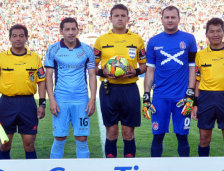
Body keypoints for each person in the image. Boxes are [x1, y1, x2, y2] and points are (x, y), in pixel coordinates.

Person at [143, 6, 197, 157]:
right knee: (157, 136)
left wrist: (191, 92)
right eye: (167, 17)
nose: (170, 20)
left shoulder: (189, 39)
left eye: (173, 17)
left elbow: (192, 67)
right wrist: (146, 94)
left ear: (179, 19)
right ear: (161, 20)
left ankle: (185, 170)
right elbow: (150, 70)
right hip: (160, 97)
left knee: (182, 137)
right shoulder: (154, 41)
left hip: (182, 97)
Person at [94, 4, 146, 158]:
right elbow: (92, 66)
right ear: (110, 19)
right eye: (116, 16)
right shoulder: (101, 40)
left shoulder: (137, 39)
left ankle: (129, 169)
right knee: (111, 132)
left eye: (123, 16)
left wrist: (134, 71)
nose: (120, 18)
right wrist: (102, 72)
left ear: (128, 19)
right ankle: (111, 169)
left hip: (129, 89)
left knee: (128, 133)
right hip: (108, 89)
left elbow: (144, 66)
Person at [45, 17, 96, 159]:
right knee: (59, 138)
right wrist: (52, 100)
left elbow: (92, 75)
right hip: (61, 100)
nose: (71, 32)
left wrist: (92, 100)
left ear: (78, 30)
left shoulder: (87, 50)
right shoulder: (53, 49)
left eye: (73, 29)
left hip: (81, 101)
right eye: (67, 29)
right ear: (61, 31)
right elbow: (48, 76)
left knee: (82, 139)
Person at [0, 24, 46, 159]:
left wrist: (42, 104)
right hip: (6, 104)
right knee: (4, 144)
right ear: (9, 38)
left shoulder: (35, 58)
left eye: (21, 36)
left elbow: (41, 81)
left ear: (26, 38)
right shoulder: (2, 57)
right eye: (14, 36)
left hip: (28, 103)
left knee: (29, 144)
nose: (18, 39)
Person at [192, 18, 224, 156]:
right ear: (206, 34)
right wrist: (195, 103)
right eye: (212, 31)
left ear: (223, 33)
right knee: (204, 139)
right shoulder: (200, 55)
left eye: (218, 31)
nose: (215, 34)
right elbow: (197, 81)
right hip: (206, 98)